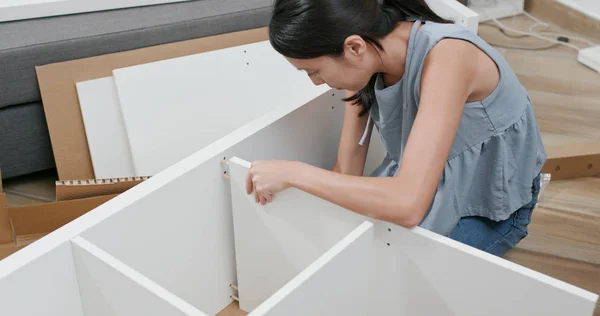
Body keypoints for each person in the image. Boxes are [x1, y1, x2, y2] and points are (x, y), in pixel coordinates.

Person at [245, 0, 547, 257]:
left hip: (487, 207)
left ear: (353, 47)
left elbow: (407, 204)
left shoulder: (449, 56)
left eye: (314, 71)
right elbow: (346, 172)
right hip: (420, 183)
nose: (315, 82)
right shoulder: (366, 68)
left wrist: (294, 174)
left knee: (403, 286)